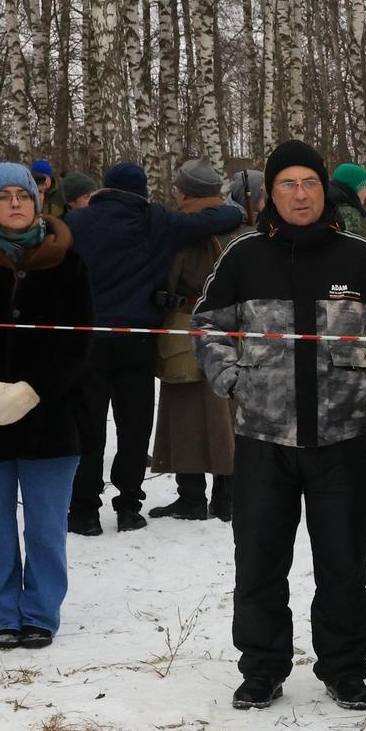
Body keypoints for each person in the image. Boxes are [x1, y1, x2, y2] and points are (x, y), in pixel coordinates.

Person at [192, 140, 366, 711]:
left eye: (308, 182)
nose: (299, 193)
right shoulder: (243, 257)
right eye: (287, 184)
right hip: (264, 440)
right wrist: (233, 379)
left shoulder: (360, 258)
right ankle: (262, 668)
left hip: (341, 440)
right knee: (259, 561)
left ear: (323, 190)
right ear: (270, 194)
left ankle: (344, 669)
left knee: (343, 561)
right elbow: (207, 326)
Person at [0, 163, 94, 649]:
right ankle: (2, 614)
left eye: (22, 195)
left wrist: (33, 390)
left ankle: (41, 612)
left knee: (47, 527)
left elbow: (79, 341)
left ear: (37, 200)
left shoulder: (67, 259)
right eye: (3, 195)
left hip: (49, 417)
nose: (14, 203)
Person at [65, 159, 245, 534]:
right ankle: (129, 507)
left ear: (104, 188)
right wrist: (236, 208)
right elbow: (213, 220)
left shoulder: (77, 223)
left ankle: (83, 510)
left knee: (89, 426)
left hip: (88, 340)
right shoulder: (156, 220)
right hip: (138, 340)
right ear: (142, 190)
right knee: (133, 426)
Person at [149, 158, 241, 522]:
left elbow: (167, 280)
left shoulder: (182, 232)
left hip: (187, 326)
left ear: (184, 191)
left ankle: (191, 498)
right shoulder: (239, 227)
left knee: (186, 412)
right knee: (227, 413)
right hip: (234, 329)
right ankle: (227, 498)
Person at [328, 161, 366, 234]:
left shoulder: (328, 205)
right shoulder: (349, 213)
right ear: (356, 189)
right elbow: (354, 244)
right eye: (365, 187)